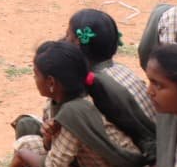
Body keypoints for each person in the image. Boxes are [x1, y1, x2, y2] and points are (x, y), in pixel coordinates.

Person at [8, 41, 148, 167]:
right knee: (26, 143)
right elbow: (55, 150)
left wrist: (22, 156)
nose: (34, 78)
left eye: (36, 74)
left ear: (51, 82)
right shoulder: (68, 99)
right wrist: (49, 137)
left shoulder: (74, 113)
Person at [66, 9, 157, 139]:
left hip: (139, 148)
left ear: (77, 42)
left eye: (67, 35)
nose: (64, 41)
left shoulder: (93, 86)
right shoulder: (122, 70)